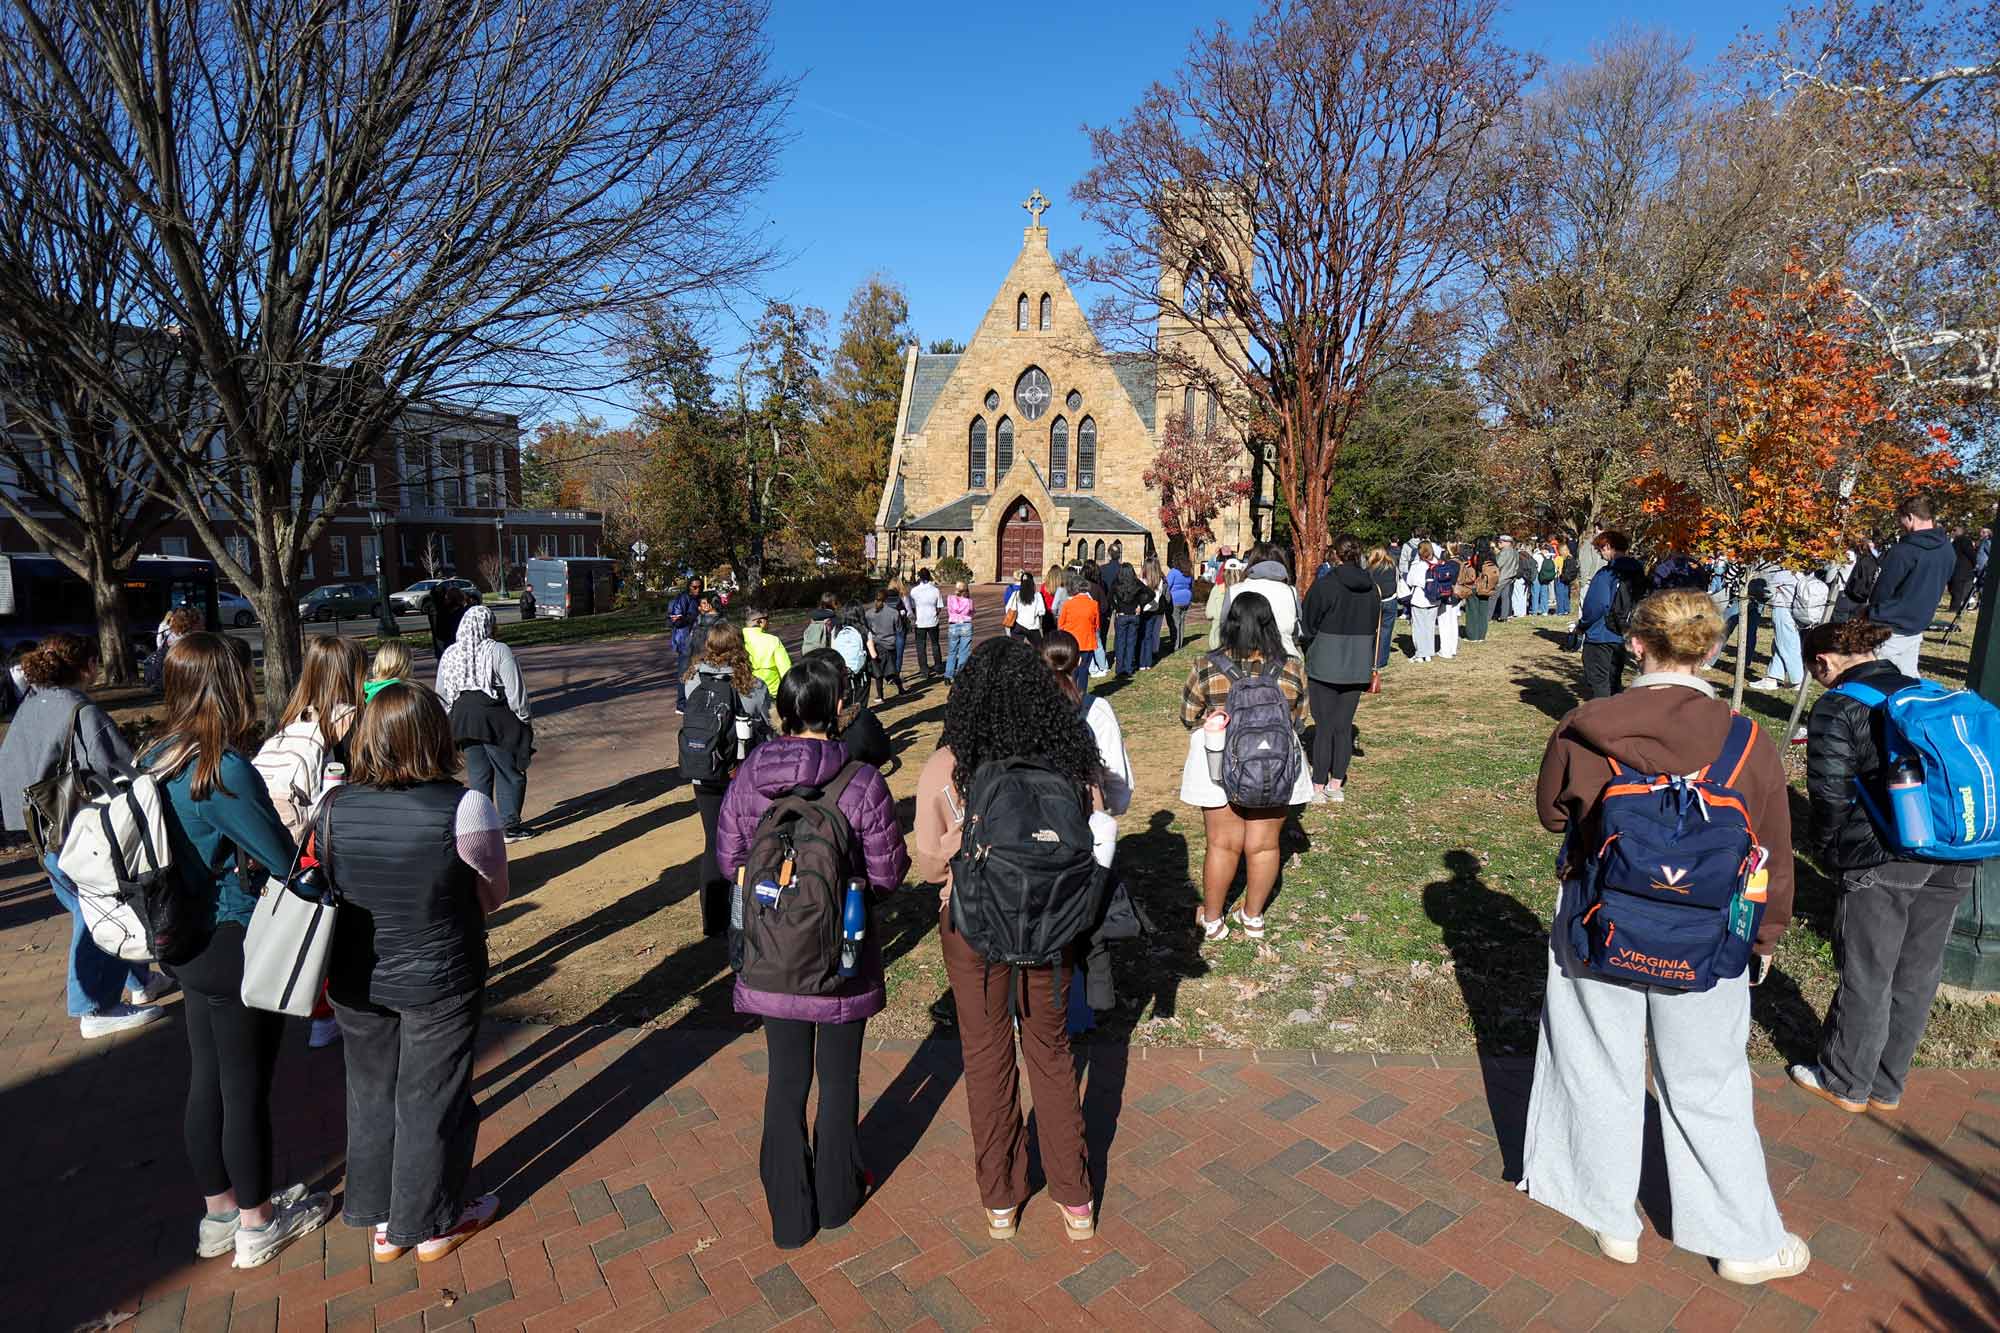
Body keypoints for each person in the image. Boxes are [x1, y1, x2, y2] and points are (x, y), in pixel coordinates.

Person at [1524, 589, 1808, 1285]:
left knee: (1596, 1065)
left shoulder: (1588, 724)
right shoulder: (1746, 739)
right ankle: (1742, 1239)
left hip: (1600, 920)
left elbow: (1551, 815)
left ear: (1635, 645)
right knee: (1709, 1083)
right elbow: (1771, 849)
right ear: (1712, 651)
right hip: (1709, 936)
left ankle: (1609, 1214)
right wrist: (1764, 936)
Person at [913, 637, 1109, 1243]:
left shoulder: (947, 765)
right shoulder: (1071, 759)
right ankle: (1075, 1199)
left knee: (987, 1053)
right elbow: (1095, 833)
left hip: (971, 925)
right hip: (1052, 923)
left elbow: (927, 866)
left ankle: (1000, 1199)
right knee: (1050, 1051)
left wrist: (959, 845)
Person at [146, 633, 330, 1268]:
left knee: (208, 1082)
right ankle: (257, 1223)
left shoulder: (157, 757)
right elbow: (285, 861)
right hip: (231, 940)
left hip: (184, 942)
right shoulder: (220, 768)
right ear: (227, 685)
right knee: (245, 1087)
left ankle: (220, 1211)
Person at [717, 656, 909, 1250]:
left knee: (785, 1080)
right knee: (839, 1079)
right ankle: (835, 1197)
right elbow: (887, 873)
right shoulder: (861, 781)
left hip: (774, 951)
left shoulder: (751, 775)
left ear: (783, 711)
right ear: (838, 710)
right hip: (841, 957)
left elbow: (730, 861)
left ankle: (788, 1214)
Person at [324, 684, 508, 1263]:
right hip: (440, 974)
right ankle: (427, 1225)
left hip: (357, 974)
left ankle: (382, 1221)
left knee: (371, 1092)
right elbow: (495, 893)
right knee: (431, 1096)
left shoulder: (333, 804)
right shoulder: (465, 805)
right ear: (435, 734)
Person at [1788, 618, 1977, 1114]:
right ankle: (1888, 1084)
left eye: (1816, 670)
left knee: (1869, 971)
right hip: (1953, 852)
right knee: (1917, 970)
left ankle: (1844, 1080)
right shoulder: (1924, 691)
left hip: (1881, 856)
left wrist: (1828, 848)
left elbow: (1828, 795)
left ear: (1823, 661)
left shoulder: (1838, 705)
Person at [0, 633, 168, 1038]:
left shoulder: (30, 706)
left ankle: (138, 982)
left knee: (92, 908)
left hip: (40, 832)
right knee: (98, 912)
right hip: (78, 832)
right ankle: (92, 1006)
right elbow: (122, 771)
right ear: (88, 665)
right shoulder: (81, 711)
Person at [1181, 593, 1312, 942]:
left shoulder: (1208, 664)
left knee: (1222, 844)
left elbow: (1188, 716)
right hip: (1274, 762)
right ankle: (1253, 916)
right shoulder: (1291, 667)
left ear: (1230, 623)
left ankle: (1212, 919)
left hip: (1218, 759)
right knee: (1266, 845)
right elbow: (1299, 722)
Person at [686, 621, 773, 937]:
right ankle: (745, 914)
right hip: (741, 774)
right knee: (747, 842)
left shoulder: (693, 680)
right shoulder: (752, 686)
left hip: (703, 772)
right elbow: (765, 721)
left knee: (713, 842)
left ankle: (712, 919)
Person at [435, 605, 533, 843]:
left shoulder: (450, 653)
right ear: (489, 625)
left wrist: (449, 720)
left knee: (479, 775)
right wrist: (523, 719)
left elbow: (441, 692)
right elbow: (514, 689)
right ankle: (509, 825)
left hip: (461, 719)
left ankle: (482, 827)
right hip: (493, 716)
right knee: (509, 772)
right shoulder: (498, 650)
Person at [1302, 538, 1378, 804]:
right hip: (1357, 663)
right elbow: (1374, 625)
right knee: (1343, 727)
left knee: (1324, 726)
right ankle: (1336, 783)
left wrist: (1310, 647)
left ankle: (1319, 785)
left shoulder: (1325, 586)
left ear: (1335, 555)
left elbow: (1308, 623)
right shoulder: (1372, 589)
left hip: (1325, 661)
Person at [1868, 496, 1956, 677]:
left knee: (1872, 679)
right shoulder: (1947, 548)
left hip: (1888, 626)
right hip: (1917, 624)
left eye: (1900, 519)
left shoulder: (1904, 551)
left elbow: (1883, 591)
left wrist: (1870, 613)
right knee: (1907, 679)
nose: (1900, 525)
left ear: (1910, 517)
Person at [1577, 532, 1644, 700]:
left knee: (1599, 681)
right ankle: (1616, 717)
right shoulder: (1638, 572)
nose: (1600, 554)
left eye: (1600, 549)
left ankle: (1602, 719)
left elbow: (1596, 605)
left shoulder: (1606, 574)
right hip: (1623, 632)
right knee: (1614, 680)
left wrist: (1582, 625)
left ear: (1608, 546)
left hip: (1600, 633)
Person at [1232, 543, 1302, 658]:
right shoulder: (1290, 591)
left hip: (1241, 655)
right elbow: (1297, 629)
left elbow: (1225, 624)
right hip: (1283, 655)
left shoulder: (1234, 590)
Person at [1751, 569, 1806, 692]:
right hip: (1794, 611)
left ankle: (1798, 680)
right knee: (1780, 644)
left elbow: (1767, 590)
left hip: (1783, 610)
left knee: (1788, 646)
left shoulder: (1784, 574)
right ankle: (1772, 678)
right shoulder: (1802, 573)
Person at [1055, 570, 1102, 695]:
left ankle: (1071, 692)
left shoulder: (1068, 605)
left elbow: (1061, 625)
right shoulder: (1093, 604)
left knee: (1072, 669)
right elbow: (1097, 625)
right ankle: (1082, 692)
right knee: (1084, 669)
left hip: (1071, 642)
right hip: (1087, 641)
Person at [668, 576, 705, 711]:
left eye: (700, 587)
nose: (697, 589)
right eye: (694, 587)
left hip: (696, 640)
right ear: (688, 586)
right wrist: (690, 618)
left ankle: (693, 700)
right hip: (684, 641)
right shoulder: (684, 598)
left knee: (697, 670)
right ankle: (681, 704)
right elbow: (676, 621)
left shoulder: (698, 599)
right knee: (684, 672)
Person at [864, 586, 907, 702]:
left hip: (876, 645)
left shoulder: (868, 614)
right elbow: (899, 629)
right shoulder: (894, 613)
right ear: (887, 599)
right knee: (892, 669)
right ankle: (901, 689)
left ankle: (880, 695)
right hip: (890, 645)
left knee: (878, 672)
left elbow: (867, 629)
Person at [741, 604, 792, 698]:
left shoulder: (738, 640)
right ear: (759, 621)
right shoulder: (773, 640)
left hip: (746, 694)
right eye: (767, 618)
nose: (769, 622)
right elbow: (785, 670)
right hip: (772, 693)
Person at [1404, 542, 1438, 663]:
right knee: (1430, 627)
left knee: (1419, 628)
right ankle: (1428, 653)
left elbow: (1410, 581)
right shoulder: (1437, 564)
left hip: (1419, 599)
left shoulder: (1416, 565)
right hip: (1434, 600)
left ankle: (1420, 653)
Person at [909, 568, 944, 681]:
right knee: (935, 644)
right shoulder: (935, 590)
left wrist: (918, 614)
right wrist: (935, 614)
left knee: (921, 646)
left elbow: (912, 607)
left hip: (920, 621)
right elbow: (939, 607)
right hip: (932, 620)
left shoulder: (914, 591)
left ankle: (924, 670)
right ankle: (938, 667)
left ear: (919, 577)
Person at [1206, 557, 1245, 651]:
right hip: (1239, 640)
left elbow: (1209, 613)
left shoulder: (1217, 589)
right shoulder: (1245, 589)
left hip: (1218, 639)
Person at [1137, 557, 1167, 670]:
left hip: (1146, 610)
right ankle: (1147, 663)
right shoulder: (1159, 580)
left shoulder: (1143, 580)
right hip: (1154, 609)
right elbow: (1157, 597)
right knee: (1149, 636)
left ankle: (1142, 662)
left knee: (1143, 636)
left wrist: (1144, 607)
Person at [1005, 571, 1048, 644]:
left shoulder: (1016, 594)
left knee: (1015, 648)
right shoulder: (1037, 596)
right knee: (1039, 648)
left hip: (1018, 625)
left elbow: (1008, 608)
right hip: (1032, 626)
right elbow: (1042, 611)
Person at [944, 581, 975, 681]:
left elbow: (949, 610)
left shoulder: (950, 599)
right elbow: (972, 611)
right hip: (965, 624)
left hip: (953, 625)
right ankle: (960, 674)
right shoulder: (968, 601)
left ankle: (948, 674)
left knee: (952, 651)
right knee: (964, 651)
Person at [1164, 556, 1195, 653]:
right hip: (1186, 599)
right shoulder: (1188, 573)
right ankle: (1179, 643)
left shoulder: (1173, 572)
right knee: (1181, 622)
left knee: (1174, 623)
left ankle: (1175, 645)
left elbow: (1167, 585)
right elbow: (1191, 585)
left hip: (1175, 599)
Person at [1948, 527, 1977, 613]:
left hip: (1963, 569)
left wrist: (1975, 564)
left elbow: (1970, 553)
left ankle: (1954, 608)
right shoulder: (1955, 541)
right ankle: (1955, 607)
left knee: (1958, 590)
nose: (1952, 532)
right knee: (1954, 589)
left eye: (1954, 530)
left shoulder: (1964, 540)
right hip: (1957, 569)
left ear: (1959, 532)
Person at [1493, 536, 1520, 622]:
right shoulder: (1515, 552)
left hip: (1502, 577)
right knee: (1505, 597)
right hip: (1510, 577)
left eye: (1501, 542)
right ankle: (1504, 616)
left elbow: (1498, 564)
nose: (1499, 543)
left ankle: (1487, 617)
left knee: (1493, 597)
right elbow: (1517, 565)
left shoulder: (1505, 552)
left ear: (1508, 543)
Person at [1555, 539, 1577, 618]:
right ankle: (1566, 609)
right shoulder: (1570, 558)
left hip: (1560, 578)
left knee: (1560, 594)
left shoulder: (1559, 558)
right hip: (1567, 579)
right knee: (1566, 594)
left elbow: (1557, 568)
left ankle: (1560, 610)